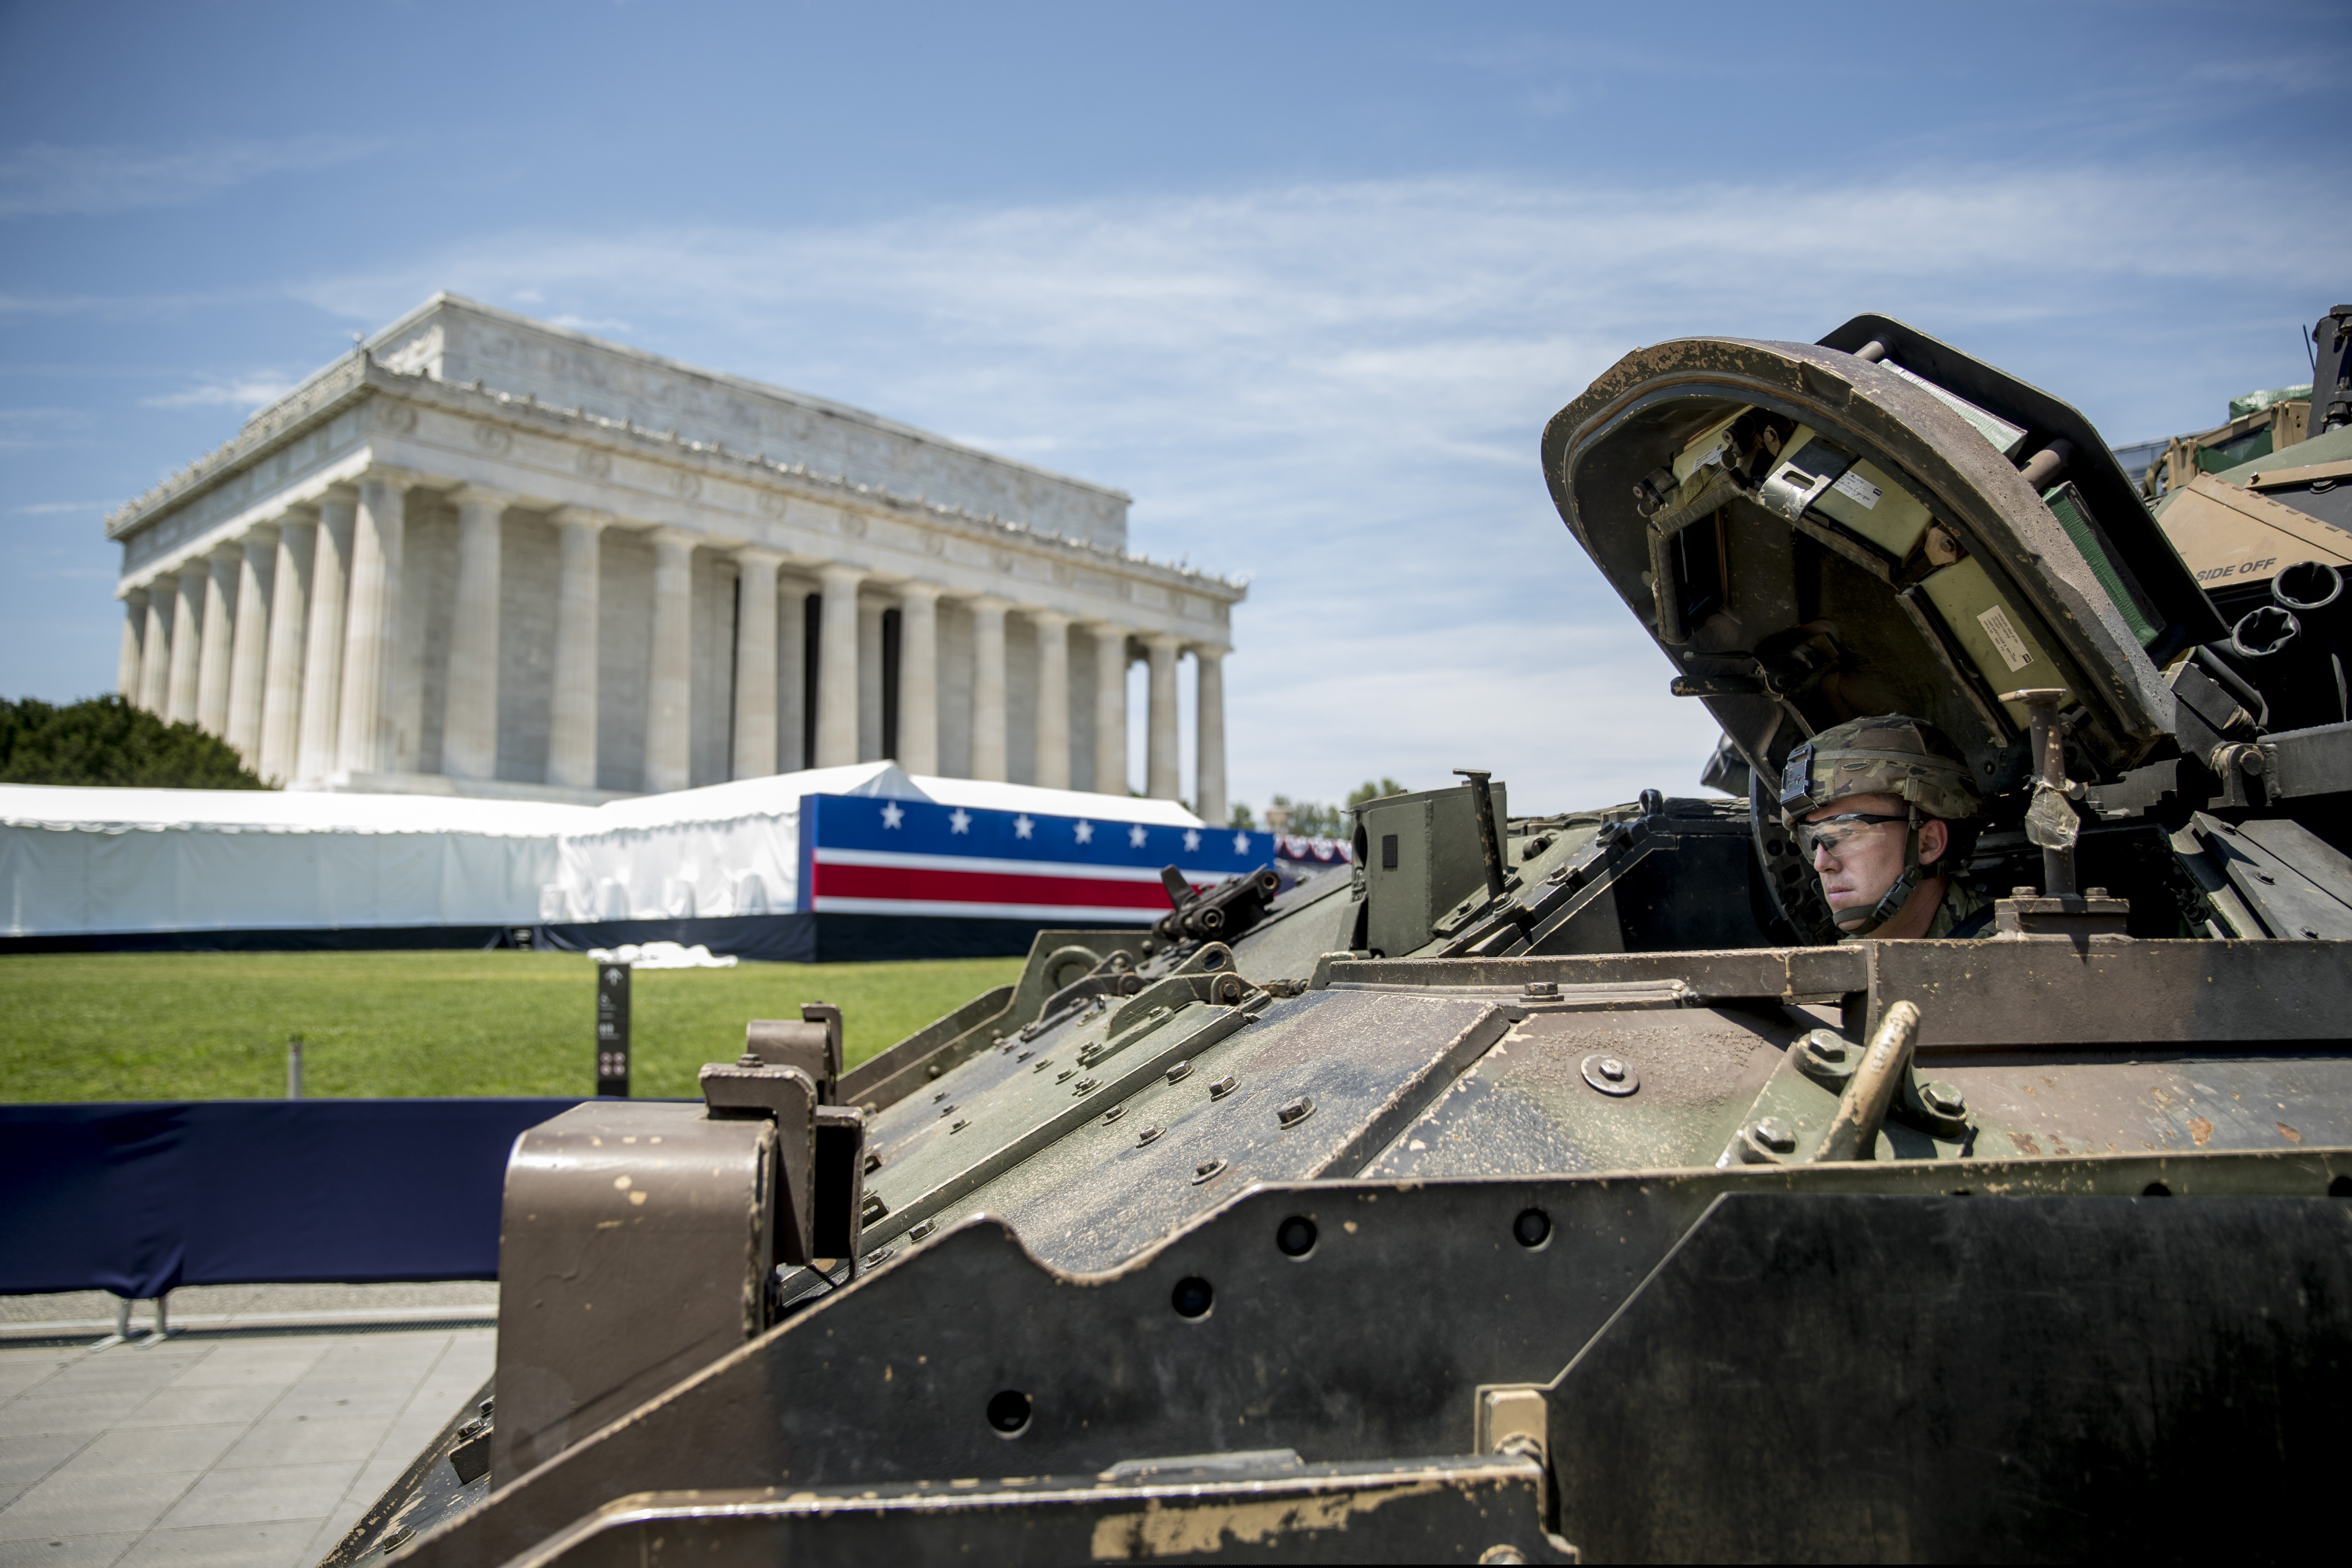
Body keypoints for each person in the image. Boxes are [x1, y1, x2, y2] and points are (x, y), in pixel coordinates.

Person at [1778, 714, 1992, 940]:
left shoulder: (2011, 950)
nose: (1822, 864)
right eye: (1812, 839)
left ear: (1928, 843)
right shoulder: (1835, 967)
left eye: (1847, 832)